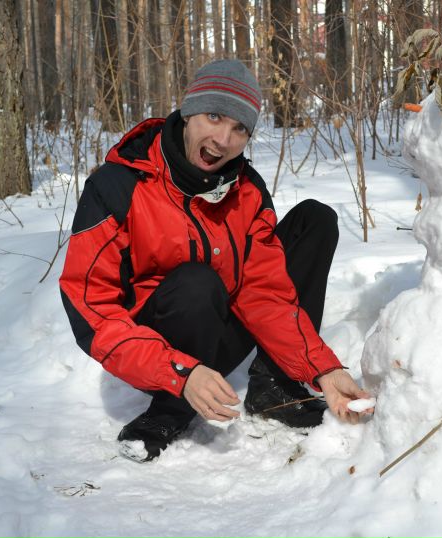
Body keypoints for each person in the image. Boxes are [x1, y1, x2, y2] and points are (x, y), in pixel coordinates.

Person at [59, 59, 372, 462]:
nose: (224, 139)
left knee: (315, 220)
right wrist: (178, 373)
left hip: (219, 327)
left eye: (240, 128)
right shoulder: (118, 186)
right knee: (196, 280)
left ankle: (273, 383)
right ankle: (172, 408)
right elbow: (92, 308)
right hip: (157, 356)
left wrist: (323, 369)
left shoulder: (246, 191)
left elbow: (264, 293)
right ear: (188, 112)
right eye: (214, 116)